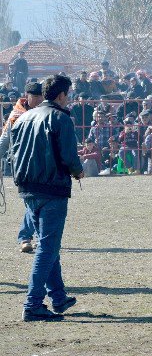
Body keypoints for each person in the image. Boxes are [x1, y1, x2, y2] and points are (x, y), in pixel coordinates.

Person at [11, 74, 83, 321]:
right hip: (52, 188)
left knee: (47, 245)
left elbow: (13, 152)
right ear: (62, 95)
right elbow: (69, 155)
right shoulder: (62, 118)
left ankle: (59, 298)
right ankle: (32, 305)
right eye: (69, 94)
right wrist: (78, 170)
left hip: (27, 188)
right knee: (48, 248)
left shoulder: (23, 117)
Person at [0, 82, 44, 253]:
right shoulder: (16, 116)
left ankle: (29, 237)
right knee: (33, 201)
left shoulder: (44, 112)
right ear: (27, 96)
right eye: (36, 96)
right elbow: (4, 140)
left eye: (41, 96)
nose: (39, 99)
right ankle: (28, 237)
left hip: (42, 164)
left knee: (35, 200)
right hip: (23, 165)